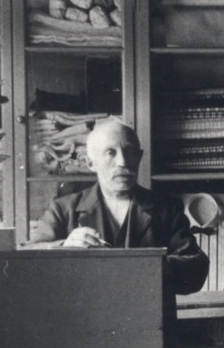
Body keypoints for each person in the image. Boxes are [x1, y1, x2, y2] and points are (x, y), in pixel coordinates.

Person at [25, 118, 210, 295]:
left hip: (150, 320)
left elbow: (194, 269)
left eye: (130, 152)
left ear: (139, 157)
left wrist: (130, 267)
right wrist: (63, 247)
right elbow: (25, 257)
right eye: (110, 153)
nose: (123, 162)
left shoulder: (166, 208)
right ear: (90, 163)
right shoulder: (62, 209)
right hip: (84, 320)